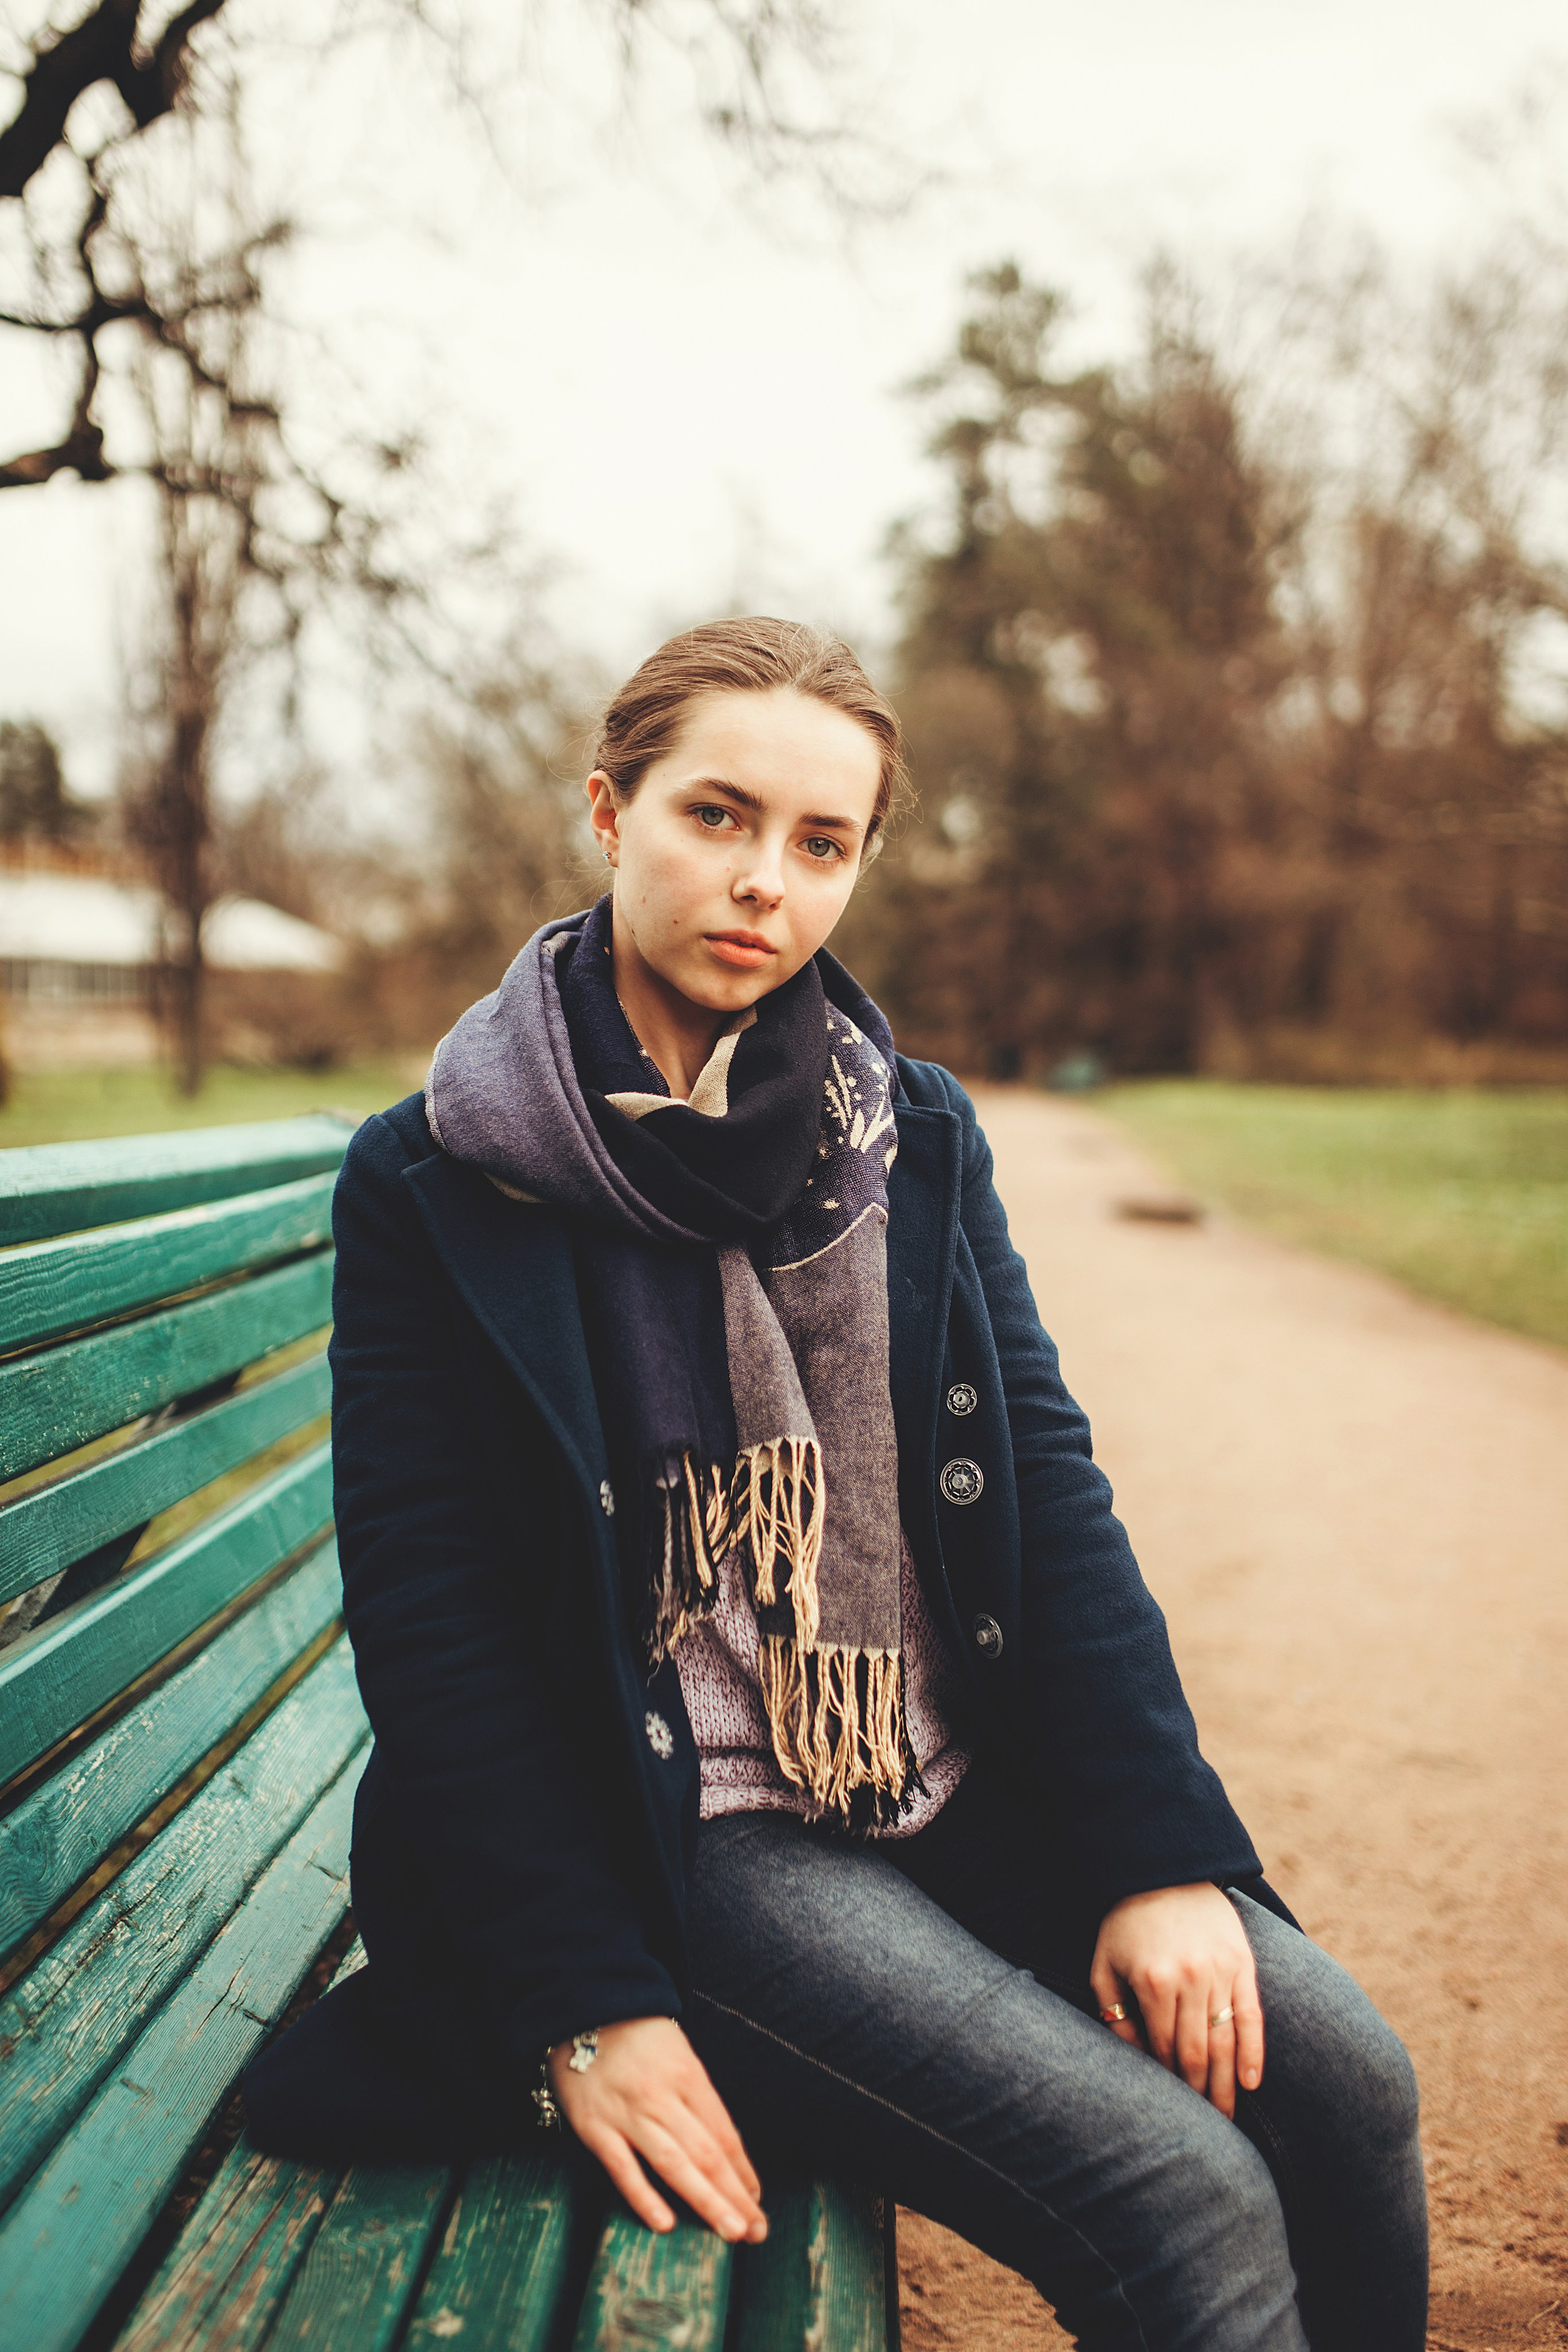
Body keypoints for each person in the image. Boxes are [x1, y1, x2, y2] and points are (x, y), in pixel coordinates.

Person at [244, 617, 1428, 2350]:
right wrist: (584, 2002)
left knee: (1348, 2084)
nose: (763, 884)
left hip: (936, 1773)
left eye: (821, 844)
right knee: (1180, 2197)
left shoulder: (915, 1130)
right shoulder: (440, 1177)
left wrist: (1158, 1851)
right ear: (607, 808)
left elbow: (1049, 1488)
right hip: (689, 1836)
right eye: (716, 817)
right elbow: (436, 1618)